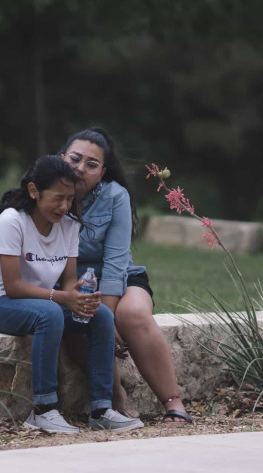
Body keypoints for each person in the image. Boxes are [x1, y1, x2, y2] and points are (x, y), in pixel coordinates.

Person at [0, 155, 144, 434]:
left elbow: (69, 282)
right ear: (34, 191)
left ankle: (101, 409)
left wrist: (84, 296)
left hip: (40, 302)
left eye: (70, 199)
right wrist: (62, 298)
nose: (64, 206)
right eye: (58, 198)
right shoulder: (13, 221)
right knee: (49, 314)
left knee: (100, 315)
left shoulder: (70, 224)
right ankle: (43, 410)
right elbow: (12, 287)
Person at [60, 128, 192, 424]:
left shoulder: (115, 197)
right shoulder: (45, 190)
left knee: (132, 314)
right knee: (79, 320)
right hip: (71, 285)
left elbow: (117, 261)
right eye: (75, 159)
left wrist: (106, 315)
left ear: (102, 171)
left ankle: (174, 403)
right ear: (62, 158)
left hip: (119, 279)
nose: (81, 168)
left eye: (91, 164)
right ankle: (115, 394)